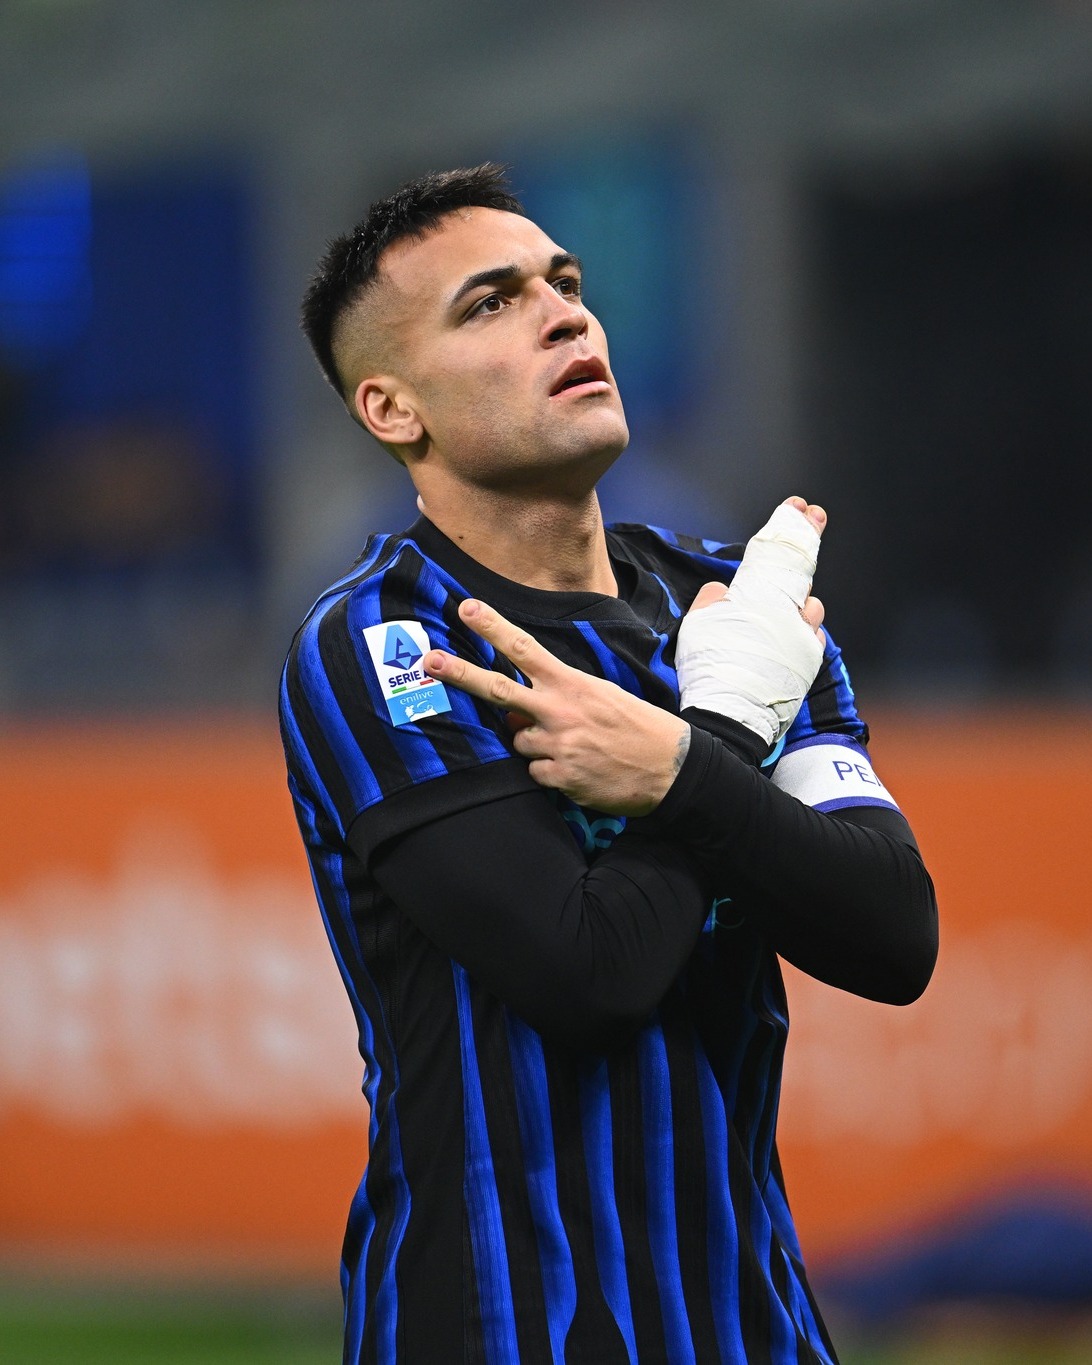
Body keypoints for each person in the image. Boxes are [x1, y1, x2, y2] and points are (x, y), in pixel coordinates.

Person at [280, 164, 938, 1365]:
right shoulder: (386, 642)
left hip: (755, 1325)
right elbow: (587, 970)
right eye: (491, 303)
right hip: (499, 1326)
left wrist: (686, 762)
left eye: (565, 284)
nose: (563, 316)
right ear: (393, 409)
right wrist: (717, 740)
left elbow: (895, 936)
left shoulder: (728, 604)